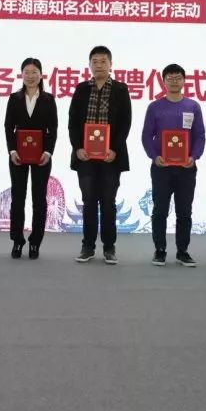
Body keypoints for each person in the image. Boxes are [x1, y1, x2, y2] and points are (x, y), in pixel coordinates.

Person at [68, 46, 132, 265]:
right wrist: (78, 148)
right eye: (94, 61)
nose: (99, 65)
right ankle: (87, 246)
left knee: (108, 202)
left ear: (111, 65)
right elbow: (73, 122)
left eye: (103, 61)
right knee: (88, 201)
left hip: (110, 157)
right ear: (89, 65)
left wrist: (114, 149)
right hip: (85, 156)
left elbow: (125, 123)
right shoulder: (81, 89)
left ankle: (109, 247)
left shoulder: (121, 89)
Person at [141, 63, 205, 267]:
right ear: (163, 81)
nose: (174, 81)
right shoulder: (155, 107)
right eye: (170, 78)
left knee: (184, 211)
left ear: (184, 81)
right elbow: (146, 135)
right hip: (161, 168)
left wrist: (194, 157)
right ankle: (159, 250)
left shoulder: (193, 106)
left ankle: (182, 251)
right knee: (160, 210)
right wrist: (154, 156)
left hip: (186, 168)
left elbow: (200, 136)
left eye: (178, 78)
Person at [3, 58, 58, 260]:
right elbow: (8, 127)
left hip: (41, 156)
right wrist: (11, 150)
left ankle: (35, 242)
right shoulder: (14, 98)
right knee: (17, 198)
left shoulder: (48, 99)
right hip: (18, 155)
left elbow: (53, 128)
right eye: (26, 72)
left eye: (34, 72)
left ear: (41, 75)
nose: (30, 76)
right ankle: (17, 240)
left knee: (39, 199)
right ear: (21, 75)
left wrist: (48, 152)